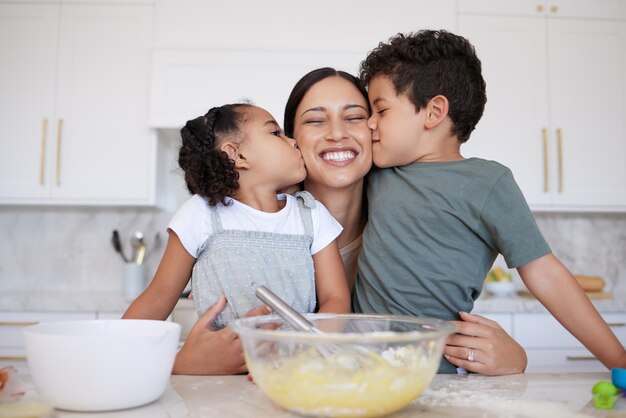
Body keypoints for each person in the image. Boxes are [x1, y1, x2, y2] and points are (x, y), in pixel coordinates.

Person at [352, 29, 626, 374]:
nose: (370, 125)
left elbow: (546, 274)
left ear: (434, 111)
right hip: (358, 367)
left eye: (380, 110)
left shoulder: (489, 183)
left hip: (438, 375)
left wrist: (618, 359)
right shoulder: (373, 173)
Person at [284, 67, 527, 376]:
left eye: (355, 117)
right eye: (316, 120)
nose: (336, 133)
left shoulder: (409, 224)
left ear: (376, 127)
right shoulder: (265, 227)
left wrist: (511, 358)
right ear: (291, 140)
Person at [123, 103, 351, 371]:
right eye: (276, 133)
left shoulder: (312, 215)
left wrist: (305, 348)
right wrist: (114, 352)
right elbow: (158, 297)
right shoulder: (201, 213)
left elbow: (336, 298)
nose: (293, 142)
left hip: (293, 371)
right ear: (237, 154)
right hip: (218, 377)